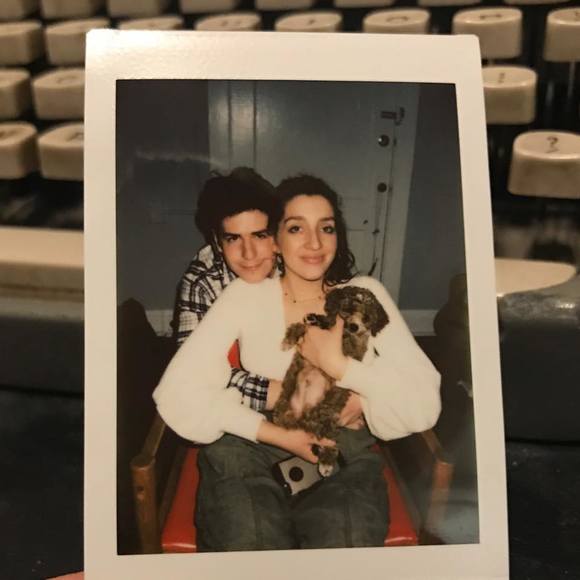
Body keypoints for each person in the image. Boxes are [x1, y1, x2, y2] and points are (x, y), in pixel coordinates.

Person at [154, 174, 441, 551]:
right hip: (250, 444)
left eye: (326, 227)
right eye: (296, 228)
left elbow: (424, 402)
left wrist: (342, 369)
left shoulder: (364, 296)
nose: (315, 243)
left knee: (346, 545)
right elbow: (176, 393)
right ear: (275, 239)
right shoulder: (244, 296)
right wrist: (273, 432)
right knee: (250, 543)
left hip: (340, 450)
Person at [172, 166, 280, 411]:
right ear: (217, 242)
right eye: (233, 238)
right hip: (236, 409)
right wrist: (284, 395)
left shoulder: (297, 260)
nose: (249, 254)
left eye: (260, 235)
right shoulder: (201, 281)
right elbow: (194, 372)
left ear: (276, 235)